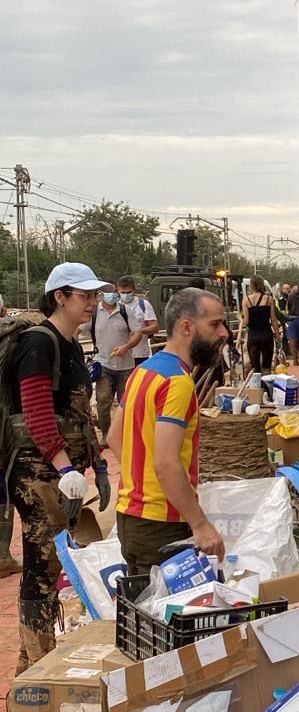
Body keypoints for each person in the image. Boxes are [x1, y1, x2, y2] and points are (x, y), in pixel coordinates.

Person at [4, 263, 110, 671]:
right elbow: (35, 409)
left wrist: (92, 462)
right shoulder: (39, 342)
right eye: (84, 296)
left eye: (95, 296)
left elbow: (76, 411)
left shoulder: (69, 344)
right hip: (37, 472)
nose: (92, 303)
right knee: (42, 561)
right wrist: (64, 467)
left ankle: (34, 659)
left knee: (52, 560)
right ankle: (36, 661)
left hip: (59, 471)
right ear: (59, 297)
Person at [108, 288, 229, 576]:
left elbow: (114, 436)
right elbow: (166, 461)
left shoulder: (144, 371)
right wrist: (200, 524)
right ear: (187, 327)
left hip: (131, 517)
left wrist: (143, 481)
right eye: (214, 324)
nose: (223, 333)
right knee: (166, 615)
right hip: (161, 524)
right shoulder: (178, 382)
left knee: (141, 609)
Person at [92, 286, 145, 439]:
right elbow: (78, 329)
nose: (112, 295)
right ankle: (106, 435)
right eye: (108, 292)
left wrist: (127, 347)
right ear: (101, 294)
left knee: (126, 402)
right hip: (103, 364)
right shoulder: (95, 313)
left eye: (114, 292)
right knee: (103, 400)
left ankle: (125, 435)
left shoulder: (125, 311)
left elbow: (138, 333)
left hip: (125, 366)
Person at [116, 276, 157, 363]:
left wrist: (139, 331)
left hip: (139, 354)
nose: (126, 295)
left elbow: (155, 327)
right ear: (118, 290)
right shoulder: (114, 306)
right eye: (123, 292)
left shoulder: (143, 305)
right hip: (120, 353)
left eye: (128, 292)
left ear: (134, 289)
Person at [240, 276, 277, 373]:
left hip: (253, 335)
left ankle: (257, 385)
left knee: (255, 367)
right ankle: (267, 385)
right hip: (266, 334)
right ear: (262, 285)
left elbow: (246, 321)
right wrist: (278, 335)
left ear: (251, 286)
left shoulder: (246, 300)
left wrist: (243, 319)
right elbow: (273, 319)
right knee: (267, 365)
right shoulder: (269, 299)